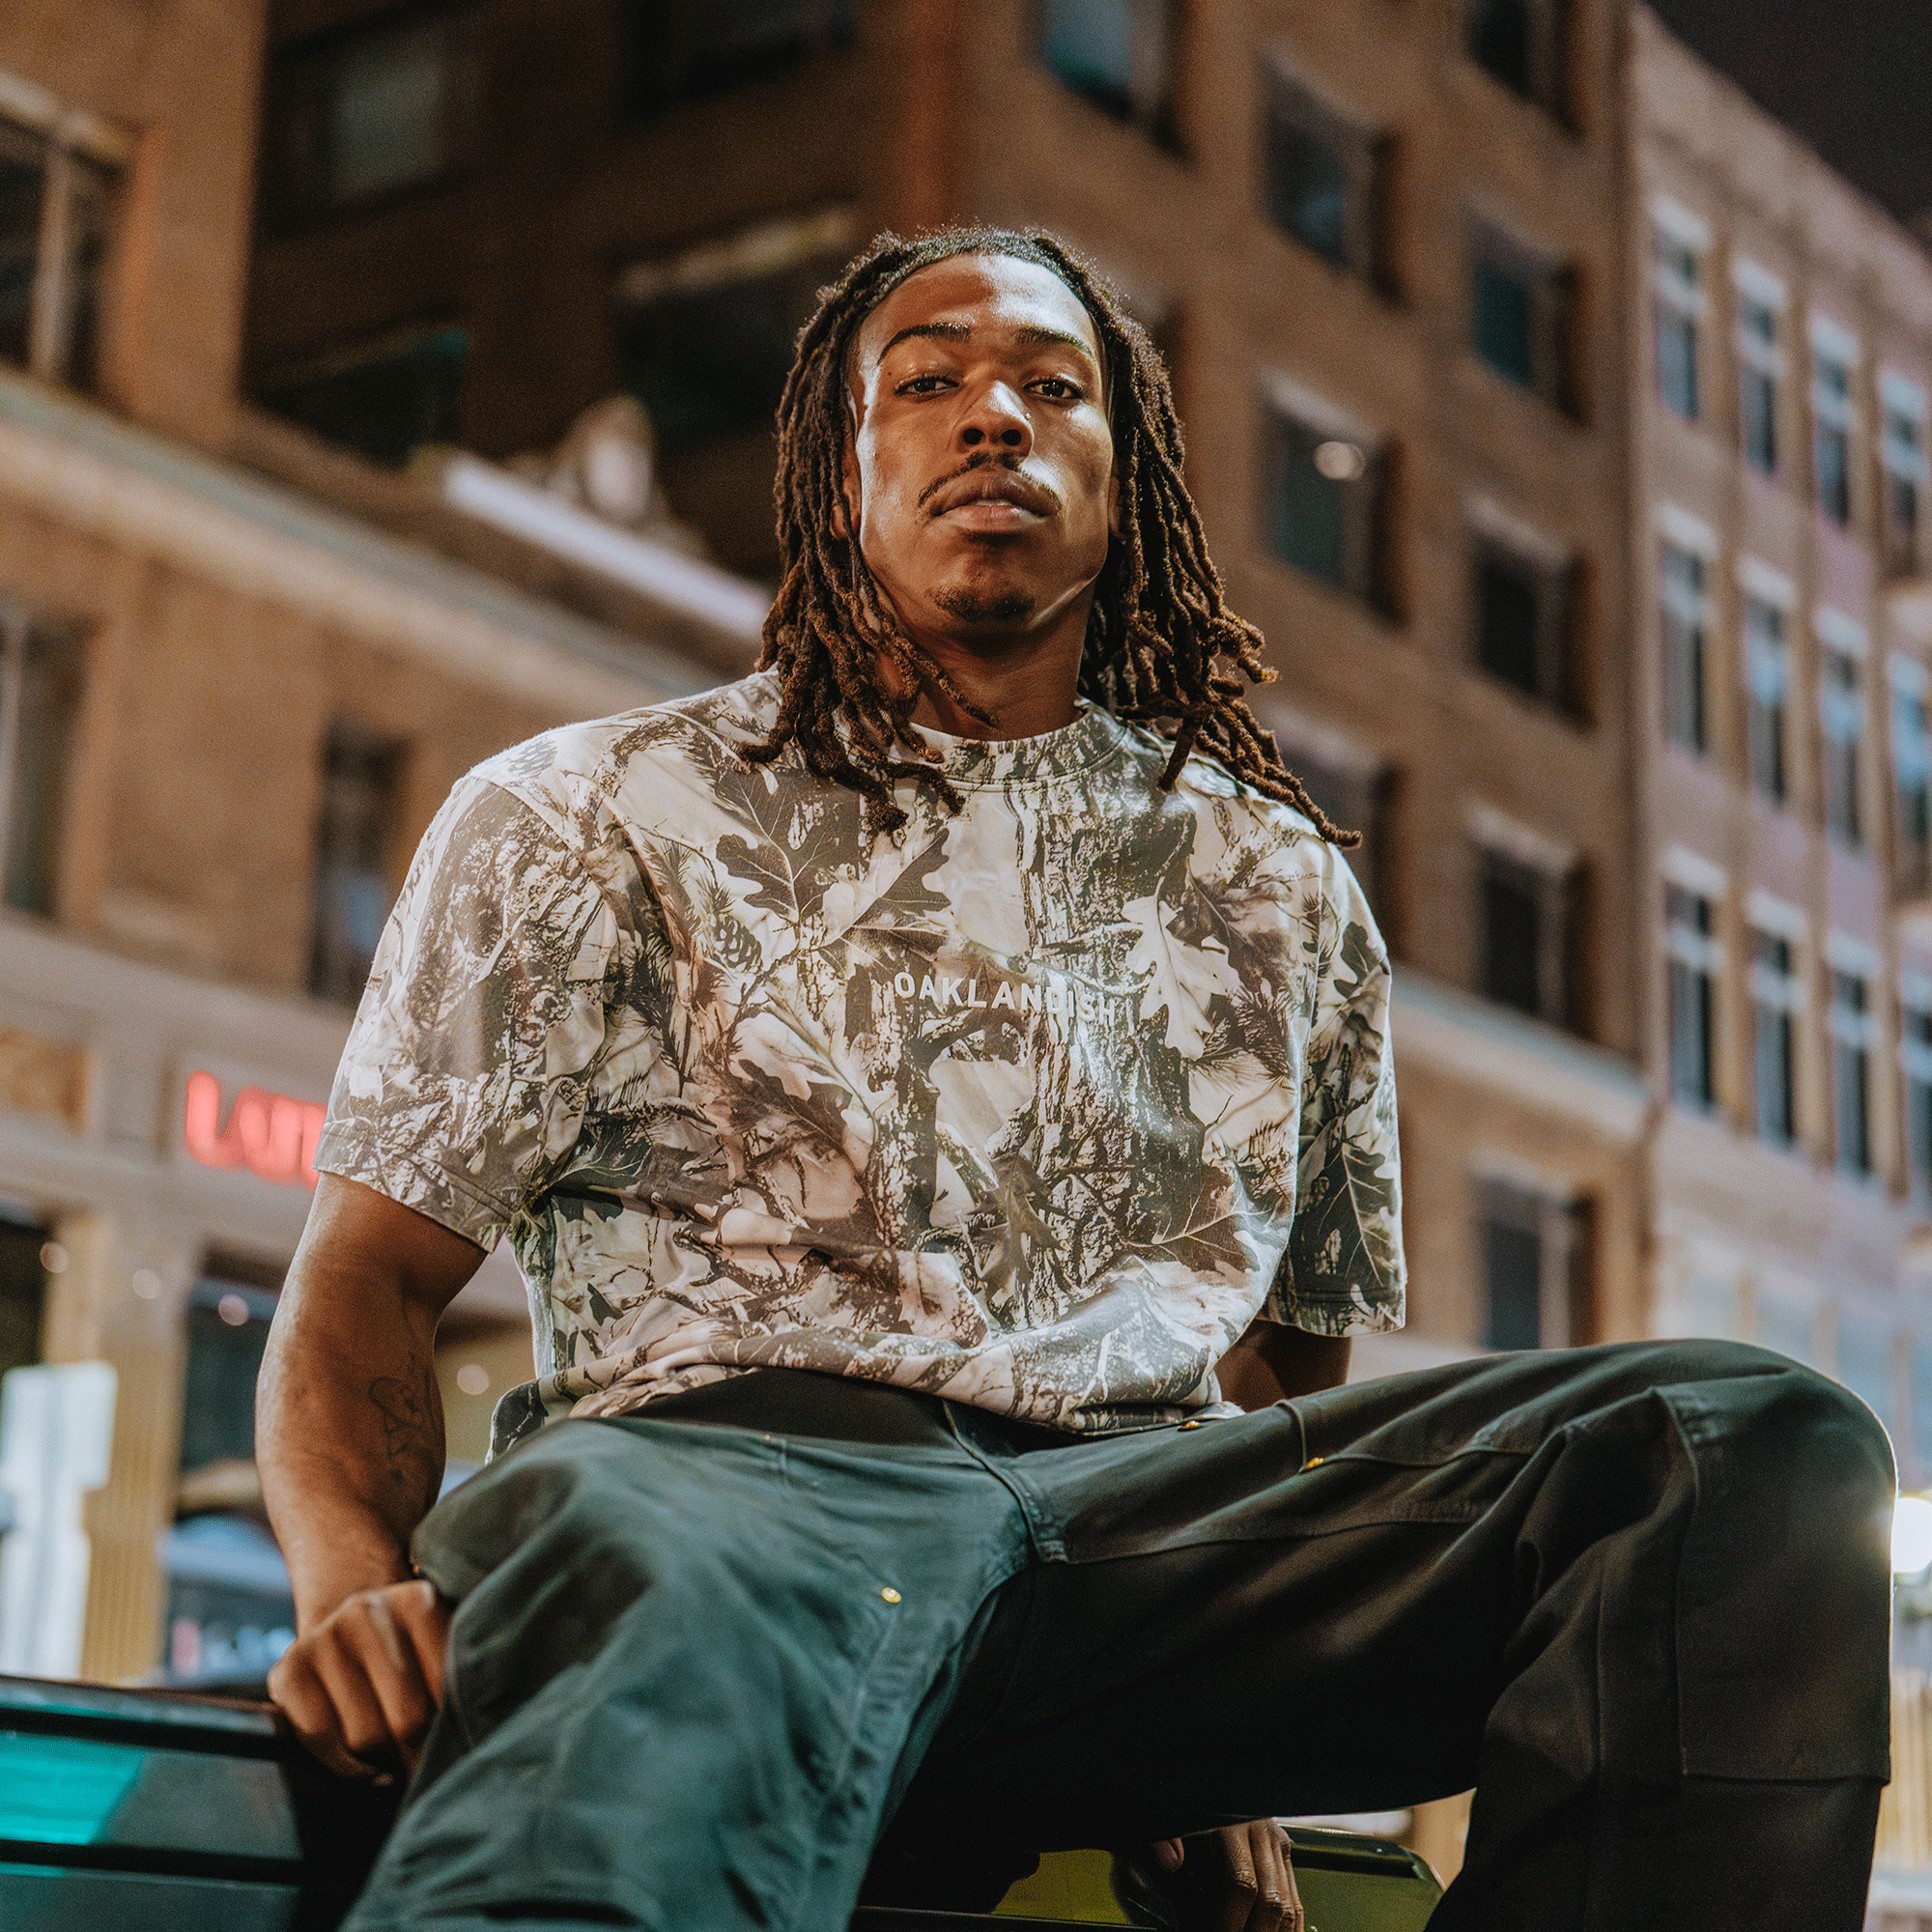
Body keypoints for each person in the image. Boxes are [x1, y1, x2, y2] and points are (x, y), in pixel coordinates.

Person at [259, 228, 1895, 1932]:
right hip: (734, 1499)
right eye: (929, 383)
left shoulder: (1280, 884)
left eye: (1052, 387)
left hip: (1136, 1549)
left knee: (1739, 1445)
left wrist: (1221, 1762)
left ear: (1130, 483)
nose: (992, 419)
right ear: (838, 480)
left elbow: (1285, 1390)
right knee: (615, 1550)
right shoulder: (582, 810)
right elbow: (368, 1281)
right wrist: (351, 1586)